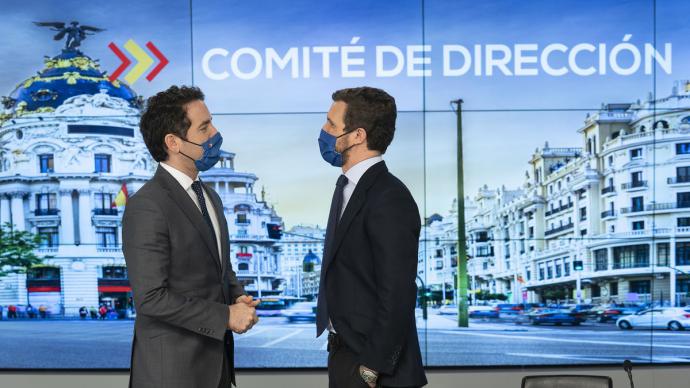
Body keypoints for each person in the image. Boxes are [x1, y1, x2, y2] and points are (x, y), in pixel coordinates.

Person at [123, 85, 258, 388]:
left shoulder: (210, 195)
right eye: (204, 127)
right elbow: (151, 299)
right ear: (173, 142)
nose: (215, 133)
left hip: (216, 367)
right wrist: (226, 316)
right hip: (171, 372)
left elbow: (218, 266)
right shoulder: (147, 205)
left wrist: (236, 295)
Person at [316, 87, 427, 387]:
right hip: (345, 354)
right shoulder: (349, 188)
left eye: (330, 124)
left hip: (374, 371)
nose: (323, 131)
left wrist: (371, 368)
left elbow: (398, 292)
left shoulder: (389, 196)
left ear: (357, 135)